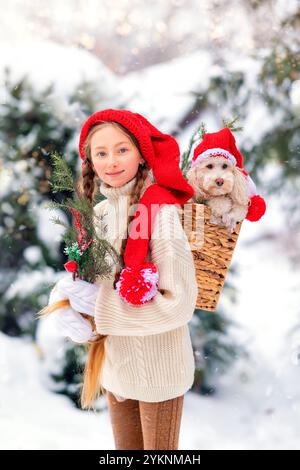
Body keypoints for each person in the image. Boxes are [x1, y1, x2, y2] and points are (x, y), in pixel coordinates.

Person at [46, 108, 198, 450]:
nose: (111, 161)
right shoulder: (97, 216)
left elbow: (179, 304)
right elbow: (95, 288)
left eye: (122, 149)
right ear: (90, 161)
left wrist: (102, 311)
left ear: (141, 154)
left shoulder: (159, 212)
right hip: (116, 370)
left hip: (159, 374)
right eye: (101, 153)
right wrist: (67, 301)